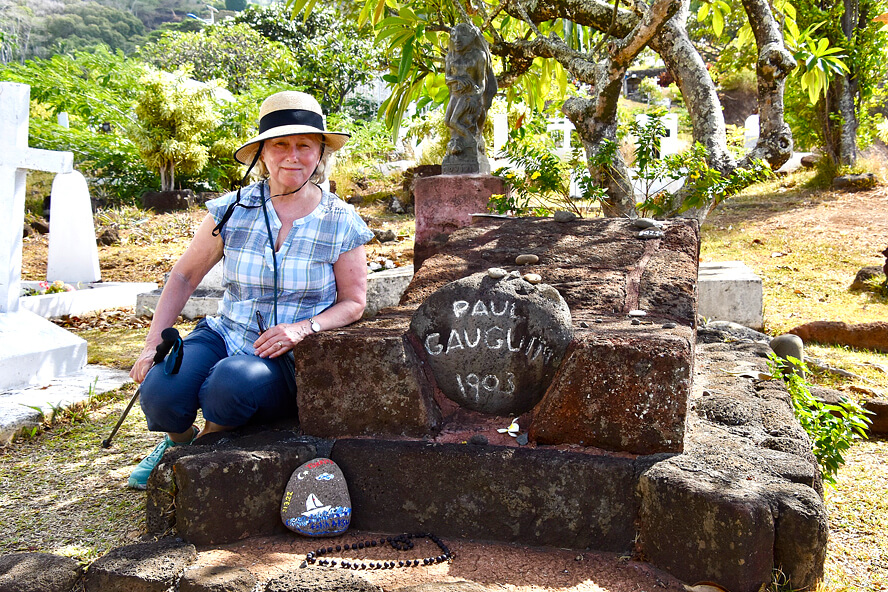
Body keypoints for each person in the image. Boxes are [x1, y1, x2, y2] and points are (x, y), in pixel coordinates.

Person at [127, 91, 373, 490]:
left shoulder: (341, 221)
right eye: (280, 145)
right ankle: (180, 442)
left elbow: (353, 303)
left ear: (320, 154)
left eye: (304, 146)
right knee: (160, 392)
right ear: (261, 154)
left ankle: (202, 450)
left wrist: (302, 329)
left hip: (287, 354)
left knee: (229, 385)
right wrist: (152, 343)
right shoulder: (231, 210)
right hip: (227, 332)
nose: (292, 155)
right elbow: (184, 277)